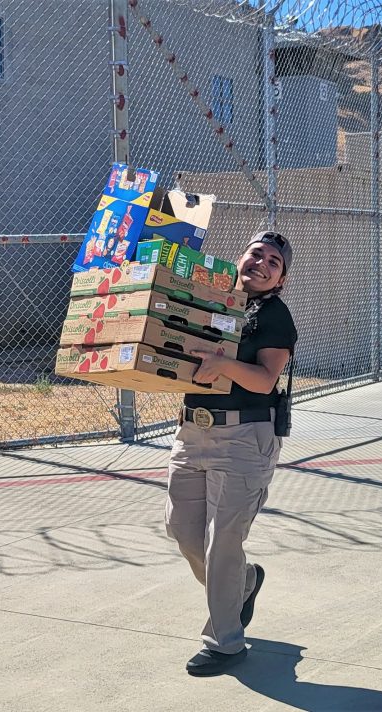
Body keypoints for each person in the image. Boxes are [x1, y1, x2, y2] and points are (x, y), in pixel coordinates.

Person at [165, 230, 298, 677]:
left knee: (222, 542)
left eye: (274, 262)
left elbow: (264, 380)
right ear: (240, 257)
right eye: (256, 253)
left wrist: (223, 365)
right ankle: (246, 583)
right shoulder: (209, 300)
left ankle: (225, 643)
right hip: (191, 432)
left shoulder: (274, 316)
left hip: (244, 438)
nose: (261, 263)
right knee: (183, 532)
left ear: (279, 280)